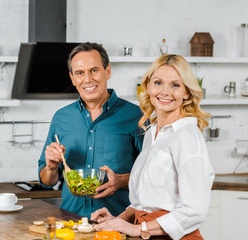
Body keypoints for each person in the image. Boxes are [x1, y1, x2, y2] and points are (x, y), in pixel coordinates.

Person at [91, 54, 215, 240]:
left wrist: (136, 230)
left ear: (186, 92)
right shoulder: (152, 133)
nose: (165, 92)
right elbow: (144, 202)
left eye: (175, 85)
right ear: (148, 86)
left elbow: (195, 210)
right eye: (158, 83)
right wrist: (117, 220)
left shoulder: (187, 136)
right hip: (147, 233)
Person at [38, 42, 144, 218]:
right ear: (72, 78)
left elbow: (154, 176)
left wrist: (121, 181)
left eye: (94, 70)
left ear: (107, 71)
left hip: (119, 223)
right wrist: (50, 167)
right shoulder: (61, 118)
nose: (87, 79)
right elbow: (47, 180)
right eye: (80, 73)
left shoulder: (135, 116)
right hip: (71, 223)